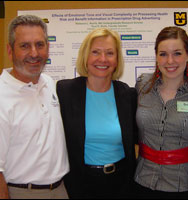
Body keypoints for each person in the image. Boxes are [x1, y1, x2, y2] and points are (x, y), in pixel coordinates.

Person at [0, 15, 69, 199]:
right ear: (10, 51)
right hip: (22, 192)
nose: (34, 53)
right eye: (24, 46)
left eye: (40, 45)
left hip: (60, 190)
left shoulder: (48, 83)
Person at [56, 28, 137, 199]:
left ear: (117, 60)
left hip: (121, 183)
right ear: (86, 56)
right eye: (95, 52)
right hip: (80, 184)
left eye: (109, 53)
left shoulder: (127, 95)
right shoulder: (65, 92)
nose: (102, 59)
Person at [133, 26, 188, 199]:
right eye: (163, 54)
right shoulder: (142, 86)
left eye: (177, 53)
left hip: (183, 186)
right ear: (156, 56)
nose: (170, 61)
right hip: (143, 182)